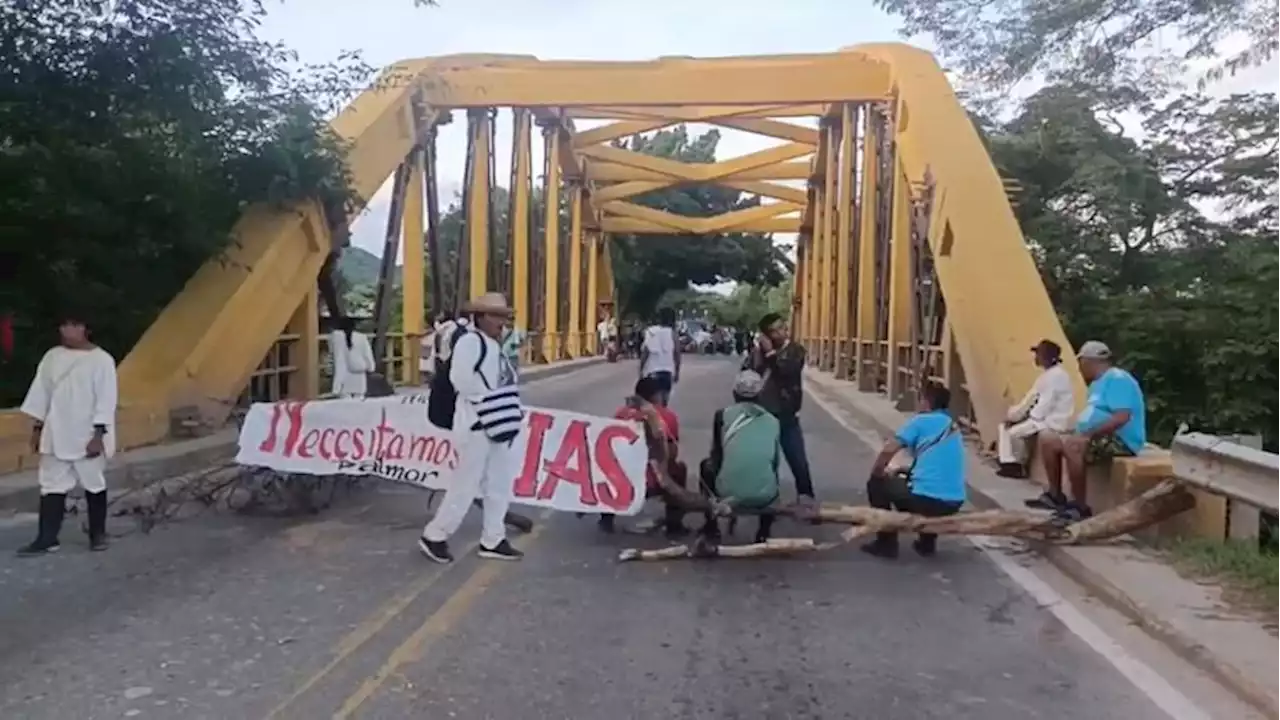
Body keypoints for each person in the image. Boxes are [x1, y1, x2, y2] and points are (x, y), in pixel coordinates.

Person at [419, 293, 525, 563]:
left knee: (499, 483)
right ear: (481, 317)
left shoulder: (491, 344)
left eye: (503, 316)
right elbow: (461, 379)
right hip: (477, 425)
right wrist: (490, 403)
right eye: (496, 316)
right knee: (465, 485)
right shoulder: (470, 341)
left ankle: (493, 538)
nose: (502, 322)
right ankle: (435, 535)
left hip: (493, 424)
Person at [17, 312, 118, 556]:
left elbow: (106, 400)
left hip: (87, 435)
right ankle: (46, 538)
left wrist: (98, 435)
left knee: (93, 483)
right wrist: (37, 430)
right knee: (51, 485)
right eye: (63, 325)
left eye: (73, 325)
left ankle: (97, 534)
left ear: (86, 328)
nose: (66, 330)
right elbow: (42, 394)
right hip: (56, 431)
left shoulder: (102, 360)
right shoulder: (52, 357)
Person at [1029, 341, 1146, 522]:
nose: (1080, 368)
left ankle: (1080, 506)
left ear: (1090, 362)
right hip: (1096, 435)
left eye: (1081, 363)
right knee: (1048, 438)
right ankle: (1055, 495)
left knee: (1073, 445)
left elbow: (1121, 417)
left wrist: (1087, 435)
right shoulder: (1096, 384)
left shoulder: (1118, 379)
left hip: (1120, 439)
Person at [861, 381, 965, 559]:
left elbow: (889, 449)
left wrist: (877, 472)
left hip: (926, 501)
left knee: (877, 484)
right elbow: (935, 464)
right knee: (924, 484)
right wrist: (904, 469)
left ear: (925, 402)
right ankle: (927, 544)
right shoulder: (952, 425)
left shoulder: (920, 421)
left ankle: (886, 543)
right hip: (954, 502)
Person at [699, 370, 781, 545]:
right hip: (765, 494)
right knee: (771, 472)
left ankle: (711, 525)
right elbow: (775, 461)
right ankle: (764, 531)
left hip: (727, 491)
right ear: (760, 394)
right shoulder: (773, 420)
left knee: (705, 466)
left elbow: (717, 454)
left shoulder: (722, 415)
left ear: (734, 393)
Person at [744, 312, 816, 507]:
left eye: (783, 327)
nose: (784, 331)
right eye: (778, 329)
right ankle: (768, 499)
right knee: (768, 461)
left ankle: (807, 498)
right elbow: (746, 377)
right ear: (767, 335)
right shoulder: (756, 353)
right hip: (763, 415)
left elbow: (787, 371)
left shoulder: (795, 351)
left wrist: (770, 354)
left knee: (798, 460)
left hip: (787, 415)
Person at [604, 375, 688, 536]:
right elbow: (672, 454)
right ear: (656, 395)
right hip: (653, 482)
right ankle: (674, 524)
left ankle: (606, 519)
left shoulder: (620, 414)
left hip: (620, 479)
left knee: (609, 464)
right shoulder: (667, 416)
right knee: (679, 469)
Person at [996, 339, 1075, 479]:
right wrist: (1015, 415)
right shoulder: (1048, 375)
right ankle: (1007, 462)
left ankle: (1015, 465)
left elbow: (1045, 404)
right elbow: (1030, 399)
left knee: (1014, 432)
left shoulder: (1056, 376)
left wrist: (1025, 418)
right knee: (1005, 427)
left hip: (1053, 420)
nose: (1036, 358)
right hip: (1044, 417)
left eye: (1038, 354)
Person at [639, 307, 681, 406]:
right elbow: (677, 354)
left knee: (652, 403)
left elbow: (645, 352)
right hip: (667, 372)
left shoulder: (651, 331)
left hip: (652, 372)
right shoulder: (673, 333)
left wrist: (641, 370)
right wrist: (677, 371)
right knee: (664, 403)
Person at [329, 316, 376, 398]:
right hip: (359, 373)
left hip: (345, 376)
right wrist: (371, 367)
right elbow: (367, 354)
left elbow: (335, 356)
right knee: (360, 399)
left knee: (345, 401)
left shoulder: (337, 338)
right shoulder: (362, 337)